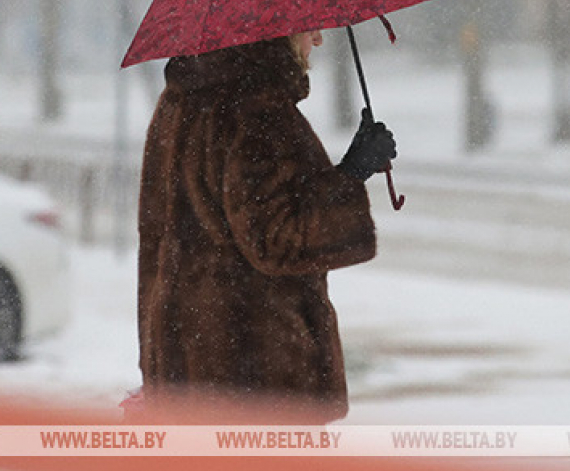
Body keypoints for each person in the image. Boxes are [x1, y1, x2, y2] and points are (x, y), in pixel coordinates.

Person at [134, 29, 396, 423]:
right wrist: (353, 174)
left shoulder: (182, 100)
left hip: (190, 367)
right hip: (254, 376)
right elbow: (278, 239)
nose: (319, 40)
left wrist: (345, 172)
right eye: (310, 28)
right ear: (277, 34)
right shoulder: (255, 109)